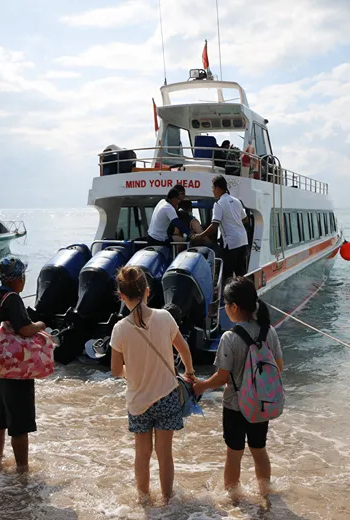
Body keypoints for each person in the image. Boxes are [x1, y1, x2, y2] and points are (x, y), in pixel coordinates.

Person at [110, 266, 196, 503]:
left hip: (138, 401)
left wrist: (132, 373)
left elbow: (117, 370)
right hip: (167, 395)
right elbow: (184, 350)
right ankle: (168, 500)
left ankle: (144, 499)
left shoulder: (120, 329)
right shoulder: (164, 317)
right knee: (165, 453)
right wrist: (189, 373)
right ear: (148, 291)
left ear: (122, 296)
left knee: (142, 453)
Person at [193, 277, 283, 495]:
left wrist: (201, 386)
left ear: (234, 306)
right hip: (261, 403)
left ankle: (234, 500)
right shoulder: (268, 331)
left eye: (225, 304)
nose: (225, 308)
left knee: (234, 453)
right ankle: (266, 494)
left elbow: (222, 377)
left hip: (236, 406)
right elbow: (278, 366)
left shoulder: (230, 338)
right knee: (259, 450)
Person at [0, 256, 47, 472]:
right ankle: (23, 471)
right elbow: (25, 329)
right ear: (18, 278)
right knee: (19, 423)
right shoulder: (13, 298)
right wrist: (41, 324)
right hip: (15, 370)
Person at [191, 175, 249, 281]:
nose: (213, 191)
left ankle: (224, 296)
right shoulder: (236, 201)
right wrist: (234, 222)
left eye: (213, 188)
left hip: (231, 242)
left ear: (218, 188)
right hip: (243, 240)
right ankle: (244, 295)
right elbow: (245, 220)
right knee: (241, 272)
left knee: (226, 274)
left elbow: (214, 226)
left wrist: (199, 236)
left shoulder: (219, 203)